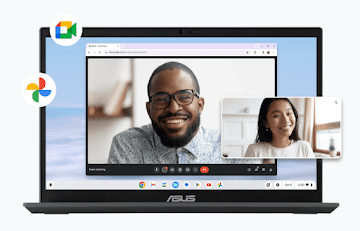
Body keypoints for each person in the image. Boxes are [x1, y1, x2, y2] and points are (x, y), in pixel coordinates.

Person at [108, 61, 256, 164]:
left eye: (184, 97)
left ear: (200, 105)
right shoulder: (127, 145)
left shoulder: (236, 149)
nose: (173, 108)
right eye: (161, 99)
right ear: (149, 109)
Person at [244, 98, 315, 158]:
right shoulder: (254, 150)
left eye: (288, 113)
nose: (286, 120)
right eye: (277, 115)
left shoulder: (304, 147)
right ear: (266, 123)